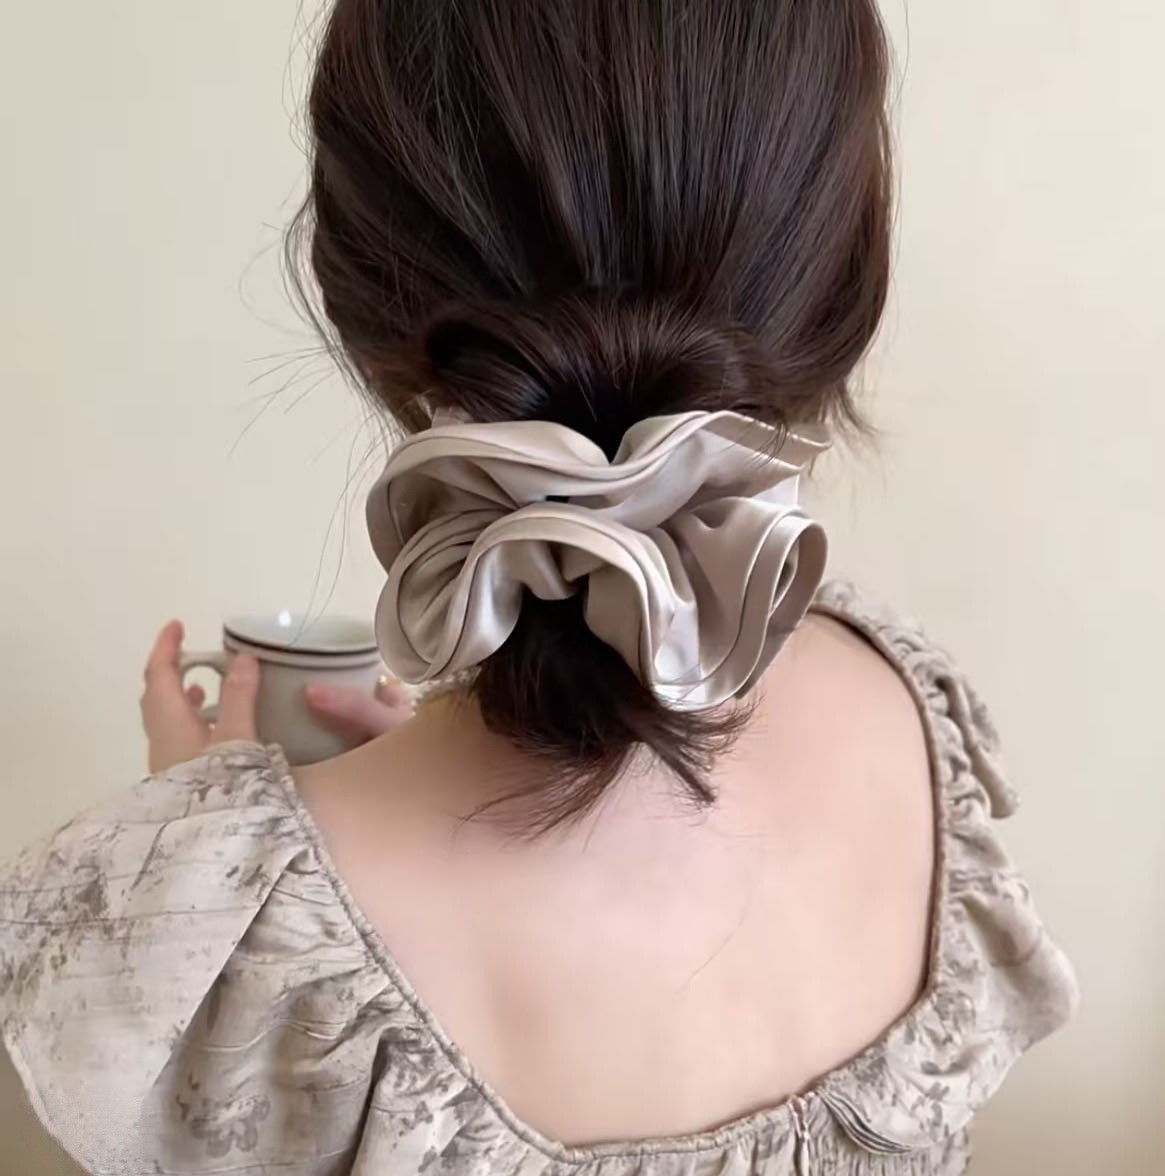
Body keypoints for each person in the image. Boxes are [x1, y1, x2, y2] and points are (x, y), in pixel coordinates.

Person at [0, 1, 1078, 1173]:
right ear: (849, 265)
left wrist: (201, 872)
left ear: (351, 275)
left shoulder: (183, 923)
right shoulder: (913, 718)